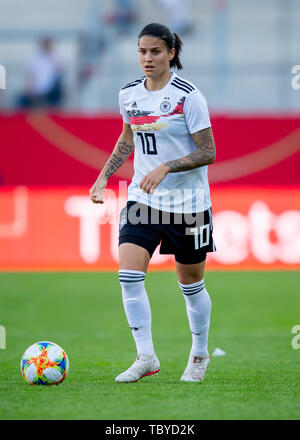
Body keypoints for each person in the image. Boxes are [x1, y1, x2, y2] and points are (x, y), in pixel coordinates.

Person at [90, 23, 216, 383]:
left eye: (156, 51)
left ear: (171, 53)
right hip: (143, 199)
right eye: (142, 51)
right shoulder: (128, 94)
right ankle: (146, 356)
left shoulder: (188, 97)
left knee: (191, 285)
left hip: (189, 204)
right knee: (128, 276)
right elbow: (127, 138)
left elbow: (209, 151)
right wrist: (103, 176)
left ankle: (199, 354)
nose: (148, 58)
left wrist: (167, 166)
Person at [17, 38, 63, 109]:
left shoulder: (54, 57)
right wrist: (29, 88)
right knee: (37, 108)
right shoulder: (35, 58)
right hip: (37, 89)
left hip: (50, 89)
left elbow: (59, 70)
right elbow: (30, 74)